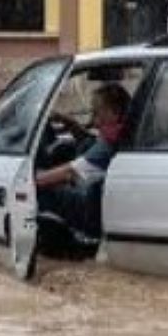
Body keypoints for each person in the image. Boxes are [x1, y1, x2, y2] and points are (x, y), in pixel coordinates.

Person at [35, 83, 131, 237]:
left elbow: (70, 173)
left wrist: (31, 180)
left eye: (97, 112)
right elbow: (88, 141)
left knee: (43, 190)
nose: (94, 119)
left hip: (90, 209)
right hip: (98, 200)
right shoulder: (122, 132)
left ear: (115, 113)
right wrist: (70, 123)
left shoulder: (110, 143)